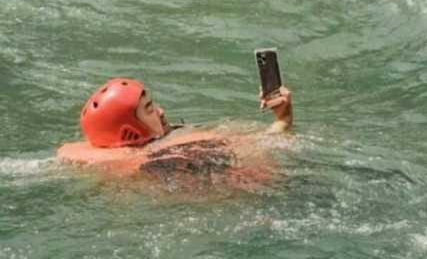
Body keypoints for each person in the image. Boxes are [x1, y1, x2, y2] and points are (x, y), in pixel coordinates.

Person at [57, 78, 292, 186]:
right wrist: (283, 120)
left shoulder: (113, 165)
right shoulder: (181, 152)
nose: (161, 111)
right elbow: (267, 146)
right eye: (150, 109)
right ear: (131, 130)